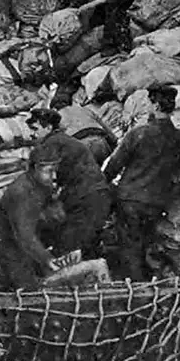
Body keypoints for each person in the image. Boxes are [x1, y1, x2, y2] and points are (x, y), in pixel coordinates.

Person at [104, 85, 180, 281]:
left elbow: (115, 165)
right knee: (146, 244)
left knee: (129, 247)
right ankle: (148, 284)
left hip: (130, 199)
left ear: (155, 105)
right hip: (157, 202)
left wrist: (104, 185)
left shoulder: (139, 133)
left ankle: (135, 290)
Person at [26, 108, 111, 259]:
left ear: (48, 127)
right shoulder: (67, 141)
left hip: (84, 199)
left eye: (35, 129)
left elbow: (43, 181)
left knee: (71, 247)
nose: (31, 134)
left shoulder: (50, 145)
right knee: (87, 245)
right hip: (97, 195)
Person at [0, 144, 62, 289]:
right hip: (6, 243)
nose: (54, 176)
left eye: (55, 171)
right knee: (28, 286)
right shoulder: (22, 193)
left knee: (38, 272)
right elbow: (25, 235)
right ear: (35, 169)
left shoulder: (41, 183)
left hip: (25, 237)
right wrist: (46, 259)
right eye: (49, 171)